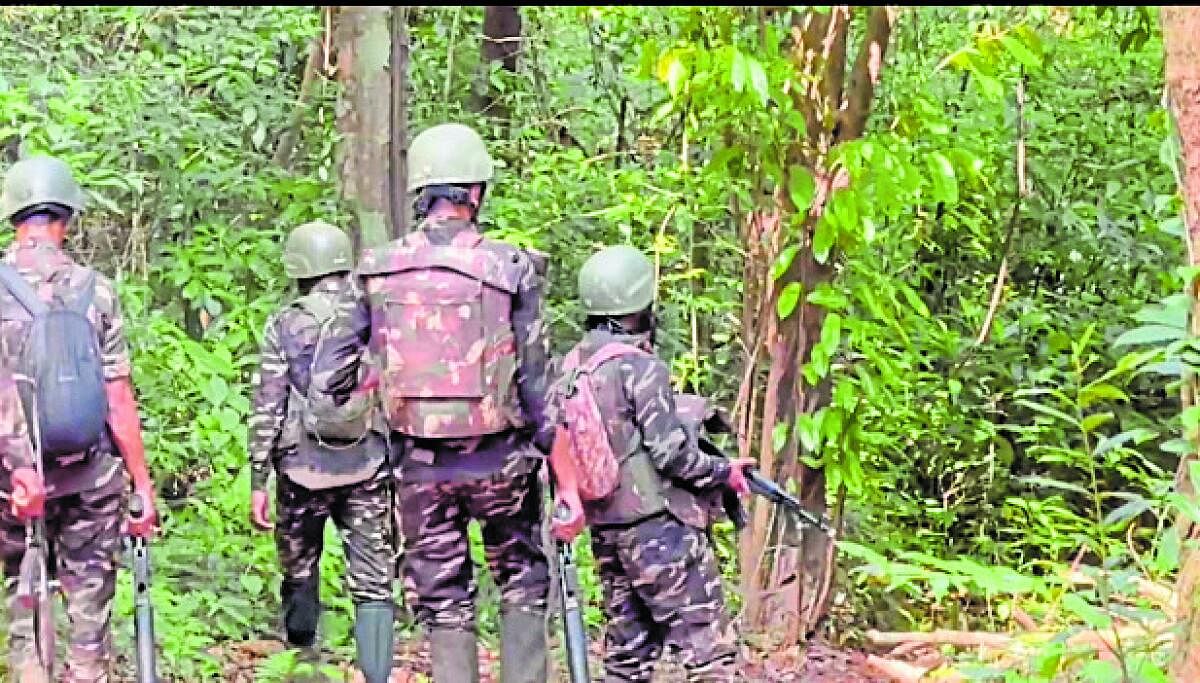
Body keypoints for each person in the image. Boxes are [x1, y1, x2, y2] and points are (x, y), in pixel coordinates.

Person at [314, 122, 553, 683]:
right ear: (475, 193)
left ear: (421, 194)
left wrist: (382, 396)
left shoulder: (376, 269)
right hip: (502, 463)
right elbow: (537, 383)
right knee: (521, 581)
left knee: (444, 599)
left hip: (419, 468)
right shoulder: (511, 266)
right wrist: (551, 454)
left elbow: (329, 378)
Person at [547, 244, 754, 683]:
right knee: (709, 652)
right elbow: (672, 454)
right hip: (660, 532)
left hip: (608, 533)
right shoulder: (639, 367)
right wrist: (725, 472)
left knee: (626, 659)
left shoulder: (568, 368)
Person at [0, 155, 157, 683]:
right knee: (90, 614)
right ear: (65, 218)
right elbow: (118, 399)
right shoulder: (96, 290)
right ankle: (87, 670)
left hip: (13, 486)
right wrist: (141, 484)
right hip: (91, 474)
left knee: (26, 612)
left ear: (13, 217)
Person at [247, 220, 394, 682]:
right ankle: (377, 675)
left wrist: (258, 477)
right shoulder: (371, 314)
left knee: (300, 571)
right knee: (373, 581)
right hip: (368, 464)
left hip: (301, 470)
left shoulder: (285, 323)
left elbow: (268, 401)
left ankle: (304, 669)